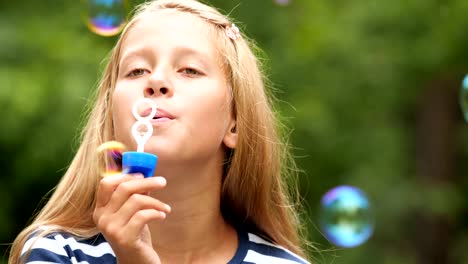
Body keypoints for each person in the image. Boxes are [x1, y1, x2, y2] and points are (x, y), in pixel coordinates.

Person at [9, 0, 310, 263]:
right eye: (137, 70)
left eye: (189, 69)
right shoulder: (58, 254)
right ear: (111, 117)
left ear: (235, 121)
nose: (155, 81)